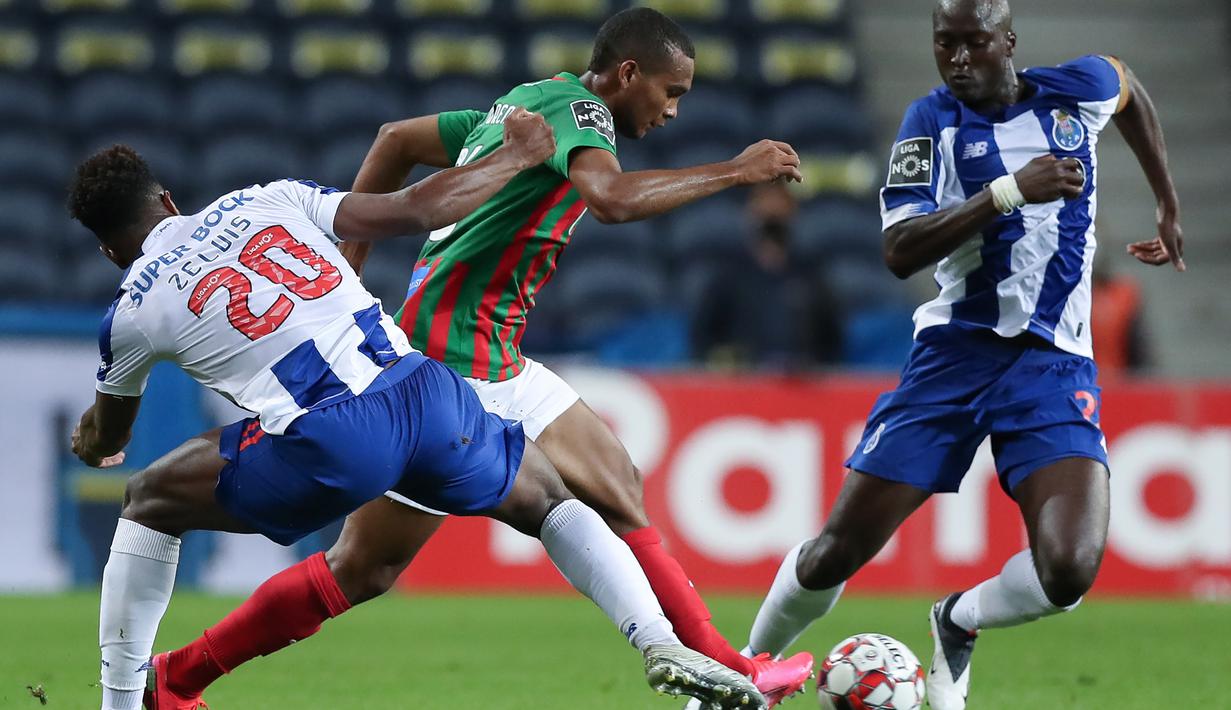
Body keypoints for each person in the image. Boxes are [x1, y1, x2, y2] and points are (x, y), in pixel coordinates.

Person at [143, 7, 816, 710]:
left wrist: (348, 265)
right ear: (627, 74)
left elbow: (393, 139)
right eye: (671, 92)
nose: (673, 110)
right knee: (362, 568)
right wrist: (736, 171)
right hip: (448, 366)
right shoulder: (582, 114)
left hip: (495, 356)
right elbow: (610, 199)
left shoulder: (523, 103)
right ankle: (177, 677)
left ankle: (726, 668)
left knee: (615, 483)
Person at [711, 1, 1185, 709]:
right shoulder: (928, 124)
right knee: (837, 548)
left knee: (1069, 571)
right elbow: (897, 252)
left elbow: (1128, 88)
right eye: (944, 45)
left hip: (1052, 366)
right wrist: (1005, 192)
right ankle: (741, 673)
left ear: (1008, 44)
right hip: (953, 357)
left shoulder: (1072, 92)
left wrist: (1165, 202)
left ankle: (957, 618)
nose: (957, 59)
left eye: (973, 44)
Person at [691, 182, 842, 369]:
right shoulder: (729, 277)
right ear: (750, 212)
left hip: (801, 387)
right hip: (745, 386)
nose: (772, 210)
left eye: (780, 202)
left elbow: (832, 342)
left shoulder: (811, 276)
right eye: (764, 202)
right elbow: (704, 338)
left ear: (793, 211)